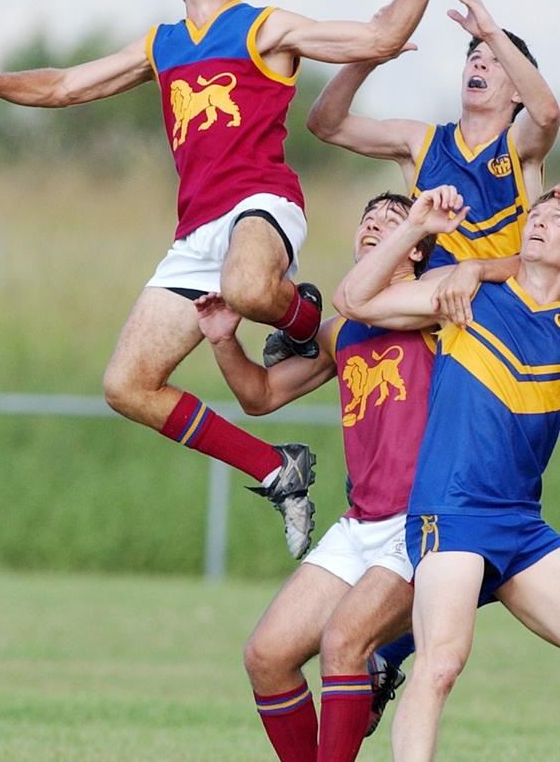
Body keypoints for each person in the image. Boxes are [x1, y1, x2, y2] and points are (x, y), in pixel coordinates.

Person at [0, 0, 465, 559]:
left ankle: (303, 314)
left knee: (244, 284)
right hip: (196, 232)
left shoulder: (264, 26)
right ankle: (275, 468)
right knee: (127, 385)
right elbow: (67, 86)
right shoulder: (162, 44)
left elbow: (380, 35)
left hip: (263, 204)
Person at [195, 190, 509, 762]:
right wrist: (222, 340)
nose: (375, 226)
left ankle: (385, 663)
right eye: (368, 220)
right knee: (266, 658)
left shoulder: (438, 309)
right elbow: (259, 396)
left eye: (393, 221)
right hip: (360, 522)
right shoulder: (341, 332)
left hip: (424, 521)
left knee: (344, 642)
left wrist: (439, 244)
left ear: (414, 250)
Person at [334, 185, 560, 762]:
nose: (540, 221)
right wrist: (418, 234)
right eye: (539, 213)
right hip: (453, 511)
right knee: (442, 664)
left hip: (522, 524)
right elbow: (354, 301)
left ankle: (388, 655)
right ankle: (395, 658)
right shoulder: (465, 293)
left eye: (557, 220)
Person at [308, 0, 559, 269]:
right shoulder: (420, 140)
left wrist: (490, 32)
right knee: (348, 306)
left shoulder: (520, 145)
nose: (479, 64)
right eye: (475, 57)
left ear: (519, 91)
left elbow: (547, 114)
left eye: (497, 62)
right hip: (423, 301)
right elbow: (326, 125)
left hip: (495, 302)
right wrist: (368, 58)